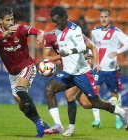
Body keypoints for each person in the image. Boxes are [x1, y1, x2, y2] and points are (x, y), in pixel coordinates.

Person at [43, 6, 128, 135]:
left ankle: (122, 112)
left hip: (82, 73)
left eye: (56, 21)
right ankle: (58, 125)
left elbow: (83, 46)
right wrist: (39, 35)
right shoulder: (57, 31)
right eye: (53, 21)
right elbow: (49, 39)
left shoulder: (74, 29)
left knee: (94, 102)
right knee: (49, 89)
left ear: (64, 18)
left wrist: (69, 52)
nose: (55, 24)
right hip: (67, 73)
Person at [0, 6, 49, 138]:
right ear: (0, 21)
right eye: (7, 20)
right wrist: (7, 33)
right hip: (13, 74)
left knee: (20, 89)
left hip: (27, 66)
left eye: (12, 19)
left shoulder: (20, 28)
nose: (11, 22)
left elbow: (38, 30)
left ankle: (39, 123)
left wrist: (40, 35)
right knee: (22, 107)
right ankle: (43, 124)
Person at [43, 29, 99, 136]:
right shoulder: (50, 36)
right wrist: (60, 57)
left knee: (69, 94)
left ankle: (70, 128)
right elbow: (45, 56)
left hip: (80, 71)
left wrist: (94, 62)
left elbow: (92, 46)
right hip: (68, 72)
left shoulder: (74, 32)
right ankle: (113, 106)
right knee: (86, 104)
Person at [91, 9, 128, 129]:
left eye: (106, 17)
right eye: (101, 16)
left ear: (110, 18)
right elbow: (93, 47)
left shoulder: (116, 32)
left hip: (112, 70)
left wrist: (117, 51)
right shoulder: (95, 32)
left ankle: (119, 117)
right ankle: (97, 120)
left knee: (114, 95)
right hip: (98, 68)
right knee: (94, 93)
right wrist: (89, 57)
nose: (103, 19)